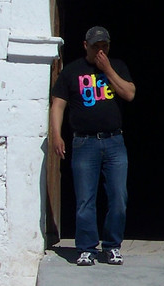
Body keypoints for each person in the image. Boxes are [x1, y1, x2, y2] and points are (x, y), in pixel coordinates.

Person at [49, 25, 137, 267]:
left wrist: (107, 69)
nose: (101, 50)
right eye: (96, 46)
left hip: (114, 142)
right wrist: (57, 135)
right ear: (85, 45)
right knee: (85, 199)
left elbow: (129, 94)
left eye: (105, 46)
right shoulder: (72, 71)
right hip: (85, 142)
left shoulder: (116, 66)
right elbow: (57, 104)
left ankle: (112, 246)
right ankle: (86, 248)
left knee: (118, 196)